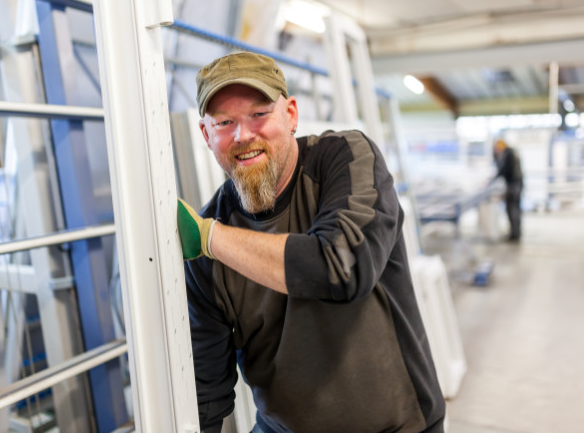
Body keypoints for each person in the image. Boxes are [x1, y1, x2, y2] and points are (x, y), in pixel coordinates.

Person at [176, 51, 445, 432]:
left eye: (259, 114)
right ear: (206, 135)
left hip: (397, 426)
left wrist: (210, 238)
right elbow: (207, 389)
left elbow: (342, 267)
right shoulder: (207, 247)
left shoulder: (346, 159)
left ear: (290, 115)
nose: (243, 135)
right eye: (224, 122)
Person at [492, 139, 523, 241]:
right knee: (515, 210)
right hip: (517, 185)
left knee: (512, 210)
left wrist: (492, 181)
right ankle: (515, 233)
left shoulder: (508, 155)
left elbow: (503, 171)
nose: (496, 151)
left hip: (513, 186)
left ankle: (514, 235)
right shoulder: (512, 153)